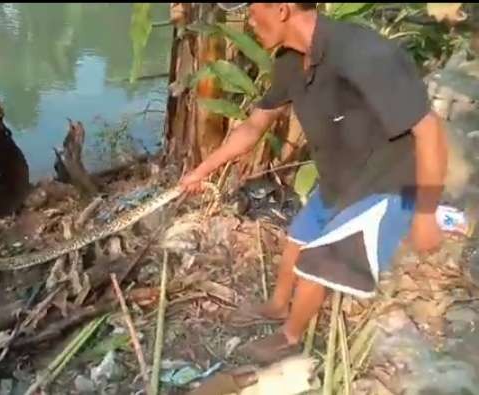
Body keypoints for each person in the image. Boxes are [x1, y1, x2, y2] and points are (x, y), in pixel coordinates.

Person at [180, 3, 448, 364]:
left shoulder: (363, 53)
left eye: (254, 11)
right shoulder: (291, 62)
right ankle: (277, 305)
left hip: (388, 183)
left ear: (282, 9)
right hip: (341, 177)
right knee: (298, 237)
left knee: (319, 263)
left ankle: (290, 337)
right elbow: (254, 126)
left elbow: (429, 130)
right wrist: (202, 171)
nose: (249, 21)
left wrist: (426, 213)